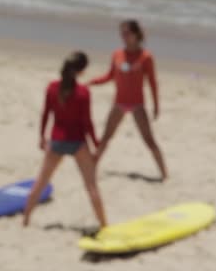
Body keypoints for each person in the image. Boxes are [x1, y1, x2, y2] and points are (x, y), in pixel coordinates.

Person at [23, 51, 107, 228]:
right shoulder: (83, 93)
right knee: (91, 186)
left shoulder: (52, 88)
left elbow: (46, 114)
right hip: (77, 142)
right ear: (81, 71)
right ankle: (104, 223)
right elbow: (87, 122)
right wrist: (96, 144)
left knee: (40, 182)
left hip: (57, 141)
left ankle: (26, 220)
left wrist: (41, 136)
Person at [88, 19, 168, 180]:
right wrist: (92, 82)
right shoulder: (117, 54)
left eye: (126, 33)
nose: (123, 36)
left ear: (136, 34)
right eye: (122, 33)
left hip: (137, 105)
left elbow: (152, 83)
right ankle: (91, 170)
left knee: (149, 140)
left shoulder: (146, 57)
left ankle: (164, 174)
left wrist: (156, 106)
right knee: (105, 138)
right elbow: (110, 76)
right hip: (119, 104)